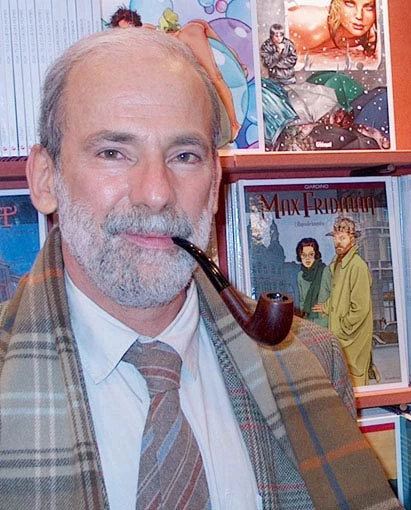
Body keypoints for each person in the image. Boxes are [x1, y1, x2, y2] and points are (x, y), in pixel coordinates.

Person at [0, 28, 399, 509]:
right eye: (113, 153)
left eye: (184, 156)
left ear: (214, 187)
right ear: (46, 179)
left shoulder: (313, 359)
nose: (156, 193)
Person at [312, 216, 374, 386]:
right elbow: (340, 296)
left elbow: (360, 308)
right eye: (335, 238)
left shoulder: (357, 266)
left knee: (356, 383)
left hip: (353, 339)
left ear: (353, 239)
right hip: (342, 338)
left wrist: (342, 326)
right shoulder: (339, 264)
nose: (337, 242)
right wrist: (326, 307)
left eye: (343, 238)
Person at [288, 0, 377, 57]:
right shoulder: (311, 27)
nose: (359, 16)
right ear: (336, 3)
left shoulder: (365, 36)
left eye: (369, 7)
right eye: (350, 4)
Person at [296, 237, 331, 327]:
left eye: (311, 254)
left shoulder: (325, 271)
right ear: (300, 256)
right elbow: (302, 300)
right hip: (308, 321)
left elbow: (337, 295)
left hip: (325, 319)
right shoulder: (300, 275)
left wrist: (326, 307)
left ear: (316, 255)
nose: (307, 258)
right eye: (304, 255)